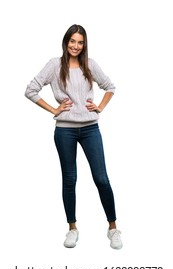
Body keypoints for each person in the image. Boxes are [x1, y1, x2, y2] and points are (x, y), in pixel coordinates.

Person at [25, 24, 122, 249]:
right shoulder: (54, 65)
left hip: (90, 129)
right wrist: (54, 110)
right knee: (70, 180)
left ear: (84, 44)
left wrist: (100, 107)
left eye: (80, 42)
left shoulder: (90, 64)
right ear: (65, 41)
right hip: (64, 131)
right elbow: (30, 90)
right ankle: (72, 228)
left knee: (101, 179)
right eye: (72, 41)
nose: (76, 46)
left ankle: (113, 228)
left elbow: (110, 86)